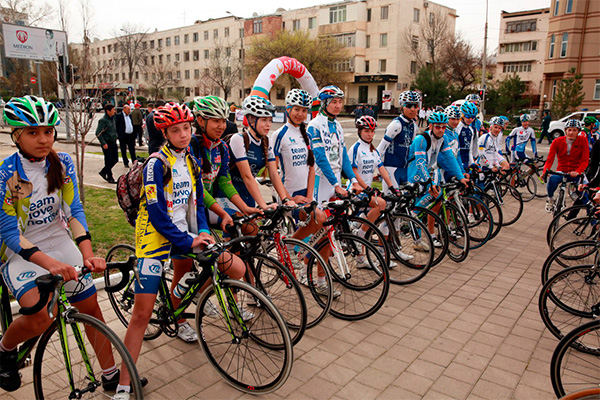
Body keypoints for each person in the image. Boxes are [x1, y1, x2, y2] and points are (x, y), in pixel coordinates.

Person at [115, 103, 246, 399]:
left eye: (187, 128)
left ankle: (177, 310)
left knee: (233, 266)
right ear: (164, 132)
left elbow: (197, 203)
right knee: (142, 314)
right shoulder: (155, 164)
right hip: (153, 238)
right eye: (176, 130)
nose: (184, 134)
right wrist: (187, 242)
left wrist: (200, 230)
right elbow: (157, 213)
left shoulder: (191, 161)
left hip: (184, 233)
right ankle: (124, 384)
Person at [0, 96, 120, 393]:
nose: (44, 139)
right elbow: (10, 233)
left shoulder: (63, 162)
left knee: (91, 307)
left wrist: (89, 255)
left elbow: (74, 211)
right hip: (21, 252)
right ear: (16, 135)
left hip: (59, 240)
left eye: (49, 131)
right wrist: (51, 264)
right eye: (33, 132)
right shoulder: (6, 174)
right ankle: (4, 350)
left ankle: (111, 374)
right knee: (41, 317)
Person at [190, 95, 259, 230]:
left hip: (206, 205)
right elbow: (198, 187)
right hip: (190, 210)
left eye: (224, 121)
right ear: (200, 121)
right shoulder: (191, 147)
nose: (221, 126)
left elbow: (225, 182)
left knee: (250, 229)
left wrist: (244, 208)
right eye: (216, 121)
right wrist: (222, 213)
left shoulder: (222, 148)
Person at [218, 96, 293, 212]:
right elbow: (247, 176)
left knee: (256, 229)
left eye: (270, 120)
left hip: (248, 194)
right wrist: (263, 205)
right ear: (252, 120)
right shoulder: (239, 139)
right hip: (229, 196)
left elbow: (273, 174)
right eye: (264, 120)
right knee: (246, 228)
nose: (268, 124)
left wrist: (285, 199)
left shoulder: (266, 141)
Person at [349, 115, 405, 260]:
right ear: (360, 131)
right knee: (381, 204)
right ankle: (359, 234)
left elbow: (382, 170)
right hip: (357, 190)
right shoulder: (356, 148)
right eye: (367, 131)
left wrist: (393, 188)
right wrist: (367, 188)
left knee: (379, 208)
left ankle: (361, 256)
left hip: (367, 191)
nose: (370, 134)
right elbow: (354, 172)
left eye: (372, 131)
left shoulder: (373, 150)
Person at [407, 111, 468, 245]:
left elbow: (450, 158)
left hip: (429, 172)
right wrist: (429, 182)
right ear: (431, 126)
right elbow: (420, 162)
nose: (441, 130)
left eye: (443, 127)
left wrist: (461, 177)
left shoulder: (443, 139)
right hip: (416, 173)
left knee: (437, 197)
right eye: (438, 127)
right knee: (423, 202)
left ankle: (426, 229)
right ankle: (417, 238)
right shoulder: (421, 139)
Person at [308, 85, 362, 203]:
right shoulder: (314, 125)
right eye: (333, 102)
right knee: (319, 218)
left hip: (336, 176)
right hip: (322, 178)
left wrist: (354, 181)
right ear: (324, 103)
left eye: (340, 102)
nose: (338, 106)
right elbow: (320, 158)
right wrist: (336, 185)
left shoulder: (337, 125)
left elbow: (343, 156)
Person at [377, 90, 421, 192]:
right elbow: (381, 148)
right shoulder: (396, 124)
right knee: (391, 204)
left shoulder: (414, 126)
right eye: (409, 106)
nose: (413, 109)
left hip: (405, 169)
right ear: (402, 107)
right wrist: (378, 169)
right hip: (391, 168)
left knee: (405, 204)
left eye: (416, 106)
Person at [542, 119, 589, 212]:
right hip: (561, 171)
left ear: (578, 132)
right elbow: (550, 159)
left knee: (586, 192)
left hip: (576, 172)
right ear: (565, 130)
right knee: (552, 180)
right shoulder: (557, 141)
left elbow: (585, 160)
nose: (571, 132)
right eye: (569, 130)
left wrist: (578, 171)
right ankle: (550, 199)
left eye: (574, 130)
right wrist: (545, 171)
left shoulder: (583, 141)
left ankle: (593, 219)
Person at [96, 104, 118, 183]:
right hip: (107, 143)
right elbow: (98, 133)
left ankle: (103, 171)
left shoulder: (112, 119)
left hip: (113, 142)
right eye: (113, 110)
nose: (114, 111)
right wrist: (103, 143)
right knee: (108, 160)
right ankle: (109, 176)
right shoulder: (103, 120)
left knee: (115, 159)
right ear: (108, 111)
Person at [455, 102, 479, 173]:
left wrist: (472, 163)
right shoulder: (457, 128)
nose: (470, 119)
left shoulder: (471, 130)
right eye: (468, 116)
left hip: (465, 162)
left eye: (473, 117)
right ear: (462, 115)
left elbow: (470, 150)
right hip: (457, 161)